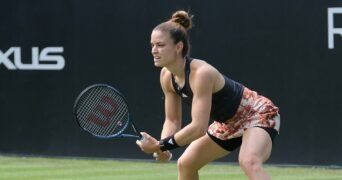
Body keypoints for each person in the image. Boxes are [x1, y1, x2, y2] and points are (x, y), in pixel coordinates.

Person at [136, 10, 280, 180]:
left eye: (160, 45)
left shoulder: (202, 73)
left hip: (256, 113)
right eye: (152, 45)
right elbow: (172, 120)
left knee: (249, 161)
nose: (154, 50)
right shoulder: (166, 77)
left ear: (178, 47)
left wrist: (160, 145)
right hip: (226, 124)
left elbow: (198, 128)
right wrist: (162, 148)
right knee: (186, 164)